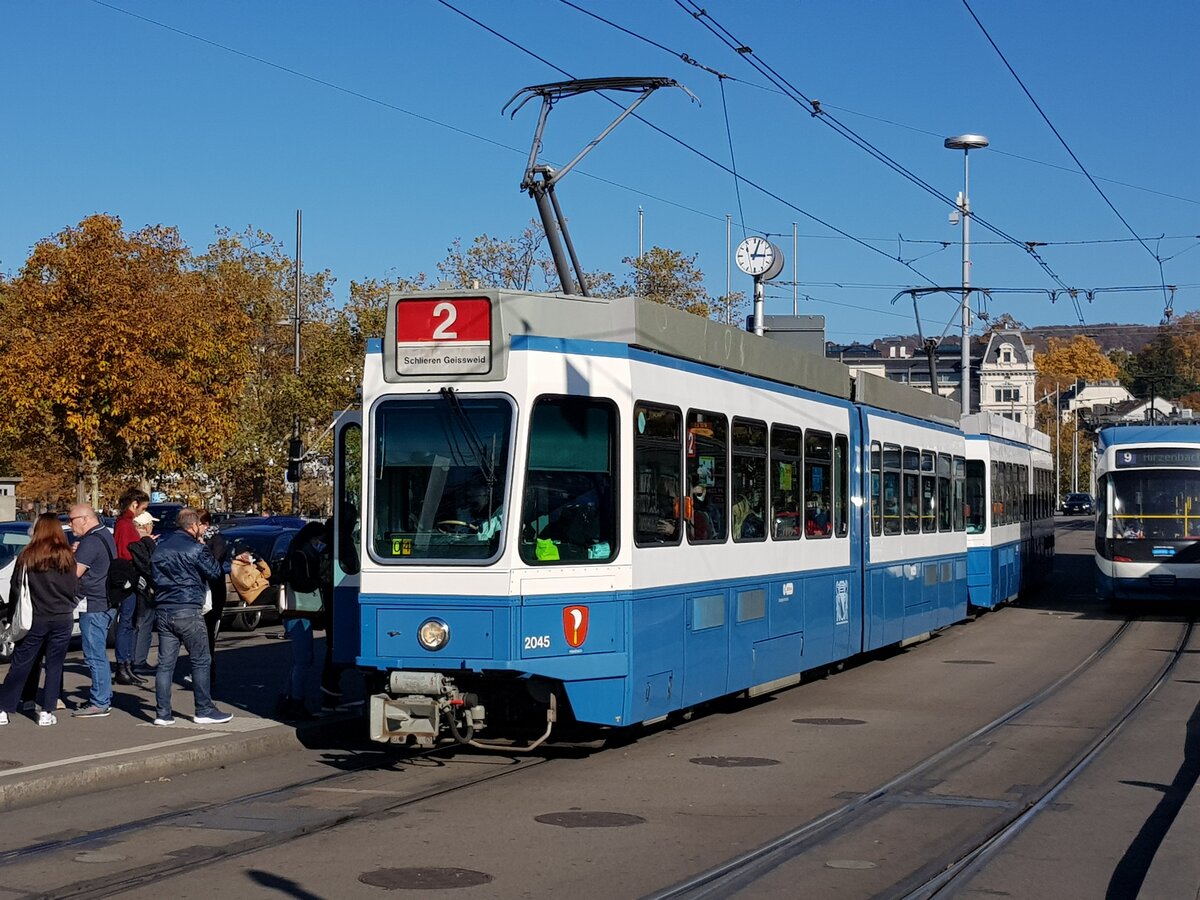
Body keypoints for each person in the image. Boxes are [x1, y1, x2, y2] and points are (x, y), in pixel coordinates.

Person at [149, 507, 240, 726]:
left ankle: (163, 713)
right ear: (193, 526)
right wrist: (203, 551)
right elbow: (215, 572)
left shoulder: (160, 548)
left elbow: (153, 576)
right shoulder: (195, 548)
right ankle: (204, 708)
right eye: (200, 525)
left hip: (164, 608)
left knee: (165, 664)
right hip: (188, 607)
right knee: (201, 660)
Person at [0, 514, 78, 726]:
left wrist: (11, 617)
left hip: (35, 616)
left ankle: (4, 708)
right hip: (62, 617)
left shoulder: (28, 555)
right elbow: (75, 586)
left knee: (21, 663)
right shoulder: (66, 555)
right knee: (54, 665)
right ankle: (47, 710)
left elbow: (16, 587)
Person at [70, 504, 120, 718]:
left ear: (84, 519)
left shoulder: (90, 541)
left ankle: (100, 702)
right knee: (97, 654)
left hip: (93, 604)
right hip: (107, 601)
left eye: (72, 519)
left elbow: (74, 574)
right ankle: (101, 698)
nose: (70, 524)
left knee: (94, 655)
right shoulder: (104, 534)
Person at [279, 521, 327, 721]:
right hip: (299, 611)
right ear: (313, 538)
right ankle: (296, 702)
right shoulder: (302, 554)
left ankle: (287, 699)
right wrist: (320, 579)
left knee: (301, 660)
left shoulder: (295, 551)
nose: (321, 543)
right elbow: (303, 583)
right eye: (319, 540)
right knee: (303, 660)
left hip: (293, 612)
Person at [112, 487, 150, 687]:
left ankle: (125, 665)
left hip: (127, 576)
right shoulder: (126, 524)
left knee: (129, 622)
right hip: (129, 576)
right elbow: (127, 552)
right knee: (127, 622)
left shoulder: (124, 523)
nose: (142, 512)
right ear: (134, 504)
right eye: (142, 508)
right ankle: (123, 665)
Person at [199, 511, 227, 686]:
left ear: (206, 524)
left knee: (208, 633)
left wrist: (202, 548)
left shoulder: (217, 540)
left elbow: (215, 564)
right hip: (200, 590)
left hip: (214, 591)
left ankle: (209, 672)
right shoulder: (194, 539)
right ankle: (201, 670)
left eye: (200, 524)